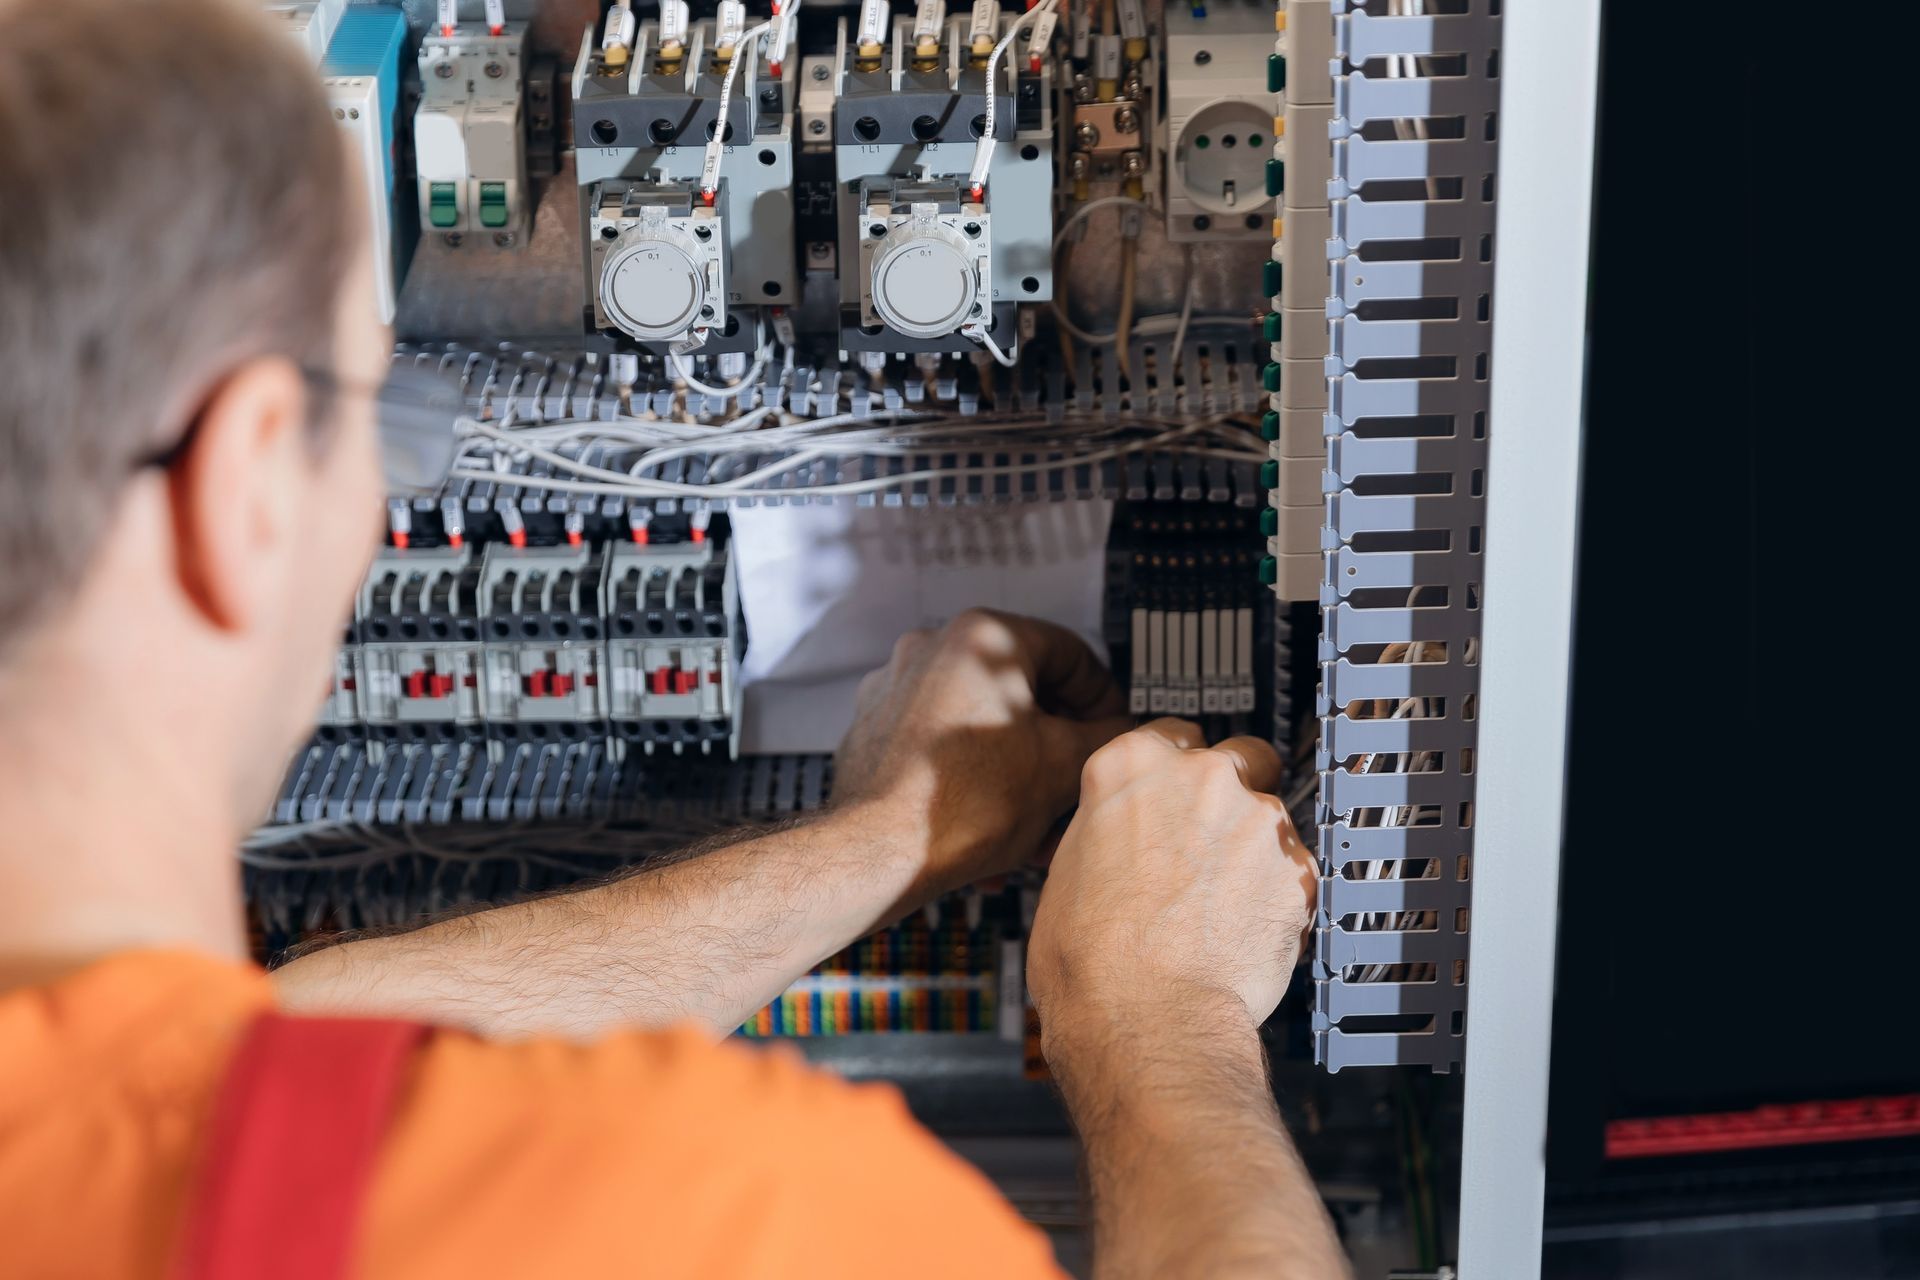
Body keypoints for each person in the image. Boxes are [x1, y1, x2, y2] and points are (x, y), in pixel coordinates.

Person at [0, 1, 1346, 1276]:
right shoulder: (708, 1212)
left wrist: (887, 838)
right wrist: (1163, 1019)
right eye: (378, 414)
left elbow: (291, 1052)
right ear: (241, 489)